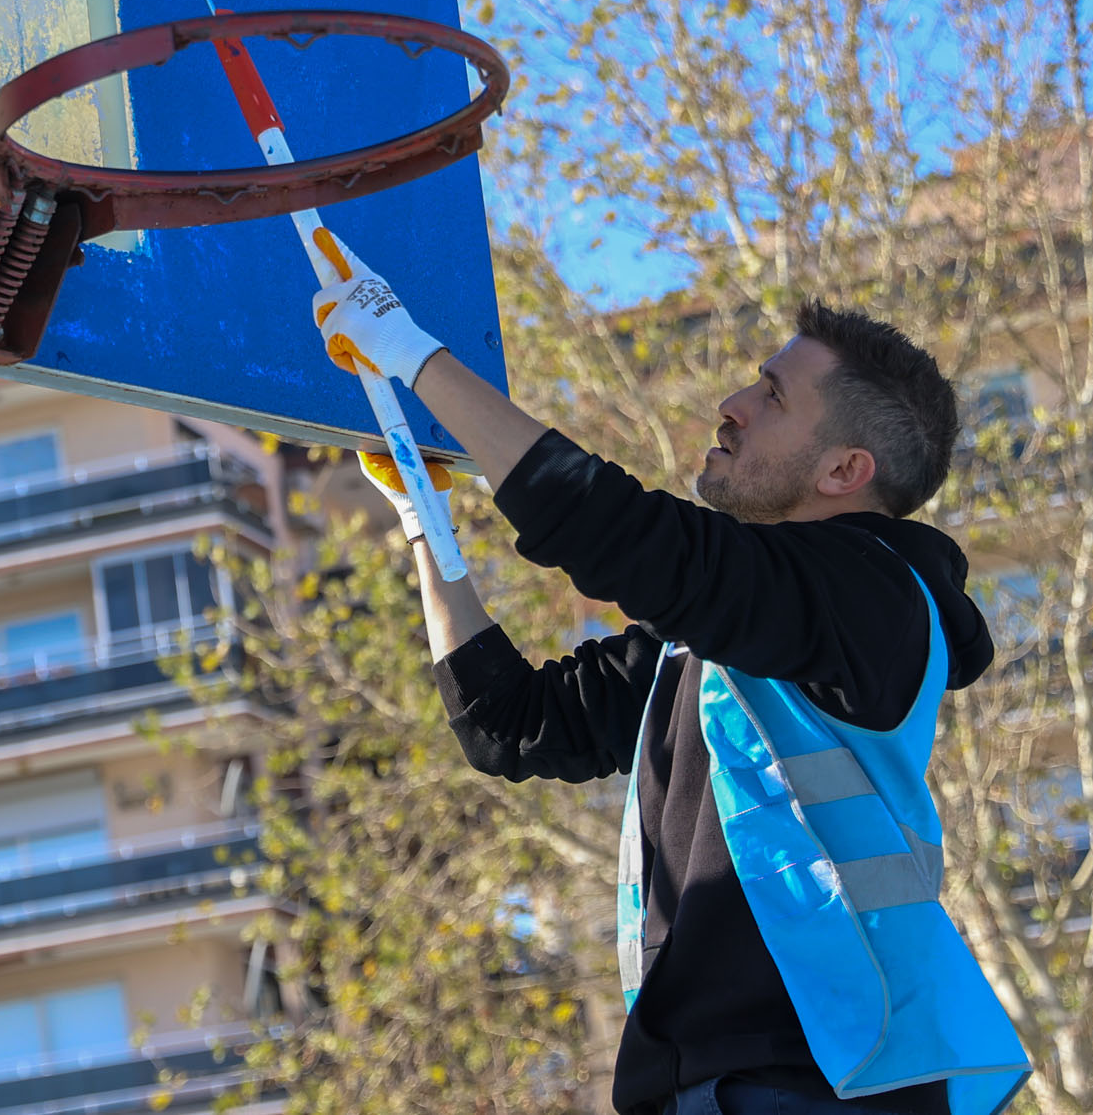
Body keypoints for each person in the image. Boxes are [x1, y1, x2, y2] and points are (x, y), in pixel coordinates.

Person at [311, 246, 1030, 1115]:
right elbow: (510, 722)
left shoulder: (873, 598)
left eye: (771, 397)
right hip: (708, 1082)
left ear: (844, 471)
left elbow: (632, 539)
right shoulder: (713, 641)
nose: (731, 406)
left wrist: (418, 357)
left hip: (828, 1073)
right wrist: (424, 524)